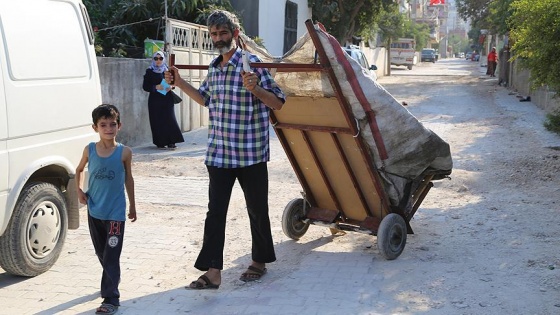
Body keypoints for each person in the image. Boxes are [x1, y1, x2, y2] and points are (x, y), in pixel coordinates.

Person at [165, 9, 286, 289]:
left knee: (257, 209)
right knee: (215, 212)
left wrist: (256, 89)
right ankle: (213, 271)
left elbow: (278, 103)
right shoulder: (214, 67)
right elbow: (205, 99)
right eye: (214, 34)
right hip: (219, 154)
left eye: (223, 33)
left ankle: (259, 261)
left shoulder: (252, 65)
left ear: (235, 34)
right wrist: (180, 82)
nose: (218, 38)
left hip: (250, 154)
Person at [76, 104, 137, 315]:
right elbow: (78, 169)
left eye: (112, 124)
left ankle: (111, 298)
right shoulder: (89, 149)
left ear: (119, 126)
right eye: (103, 125)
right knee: (102, 253)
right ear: (95, 127)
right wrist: (79, 191)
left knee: (112, 254)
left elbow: (129, 179)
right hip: (94, 210)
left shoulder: (124, 152)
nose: (108, 128)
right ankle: (112, 277)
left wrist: (133, 206)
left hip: (115, 214)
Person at [142, 51, 184, 149]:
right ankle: (160, 142)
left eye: (160, 58)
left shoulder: (167, 70)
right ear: (153, 59)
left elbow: (174, 82)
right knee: (157, 120)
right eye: (156, 59)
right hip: (155, 99)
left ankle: (172, 141)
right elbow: (145, 86)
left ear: (163, 59)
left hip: (167, 98)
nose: (158, 61)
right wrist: (156, 87)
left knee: (170, 119)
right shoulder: (149, 71)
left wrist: (171, 87)